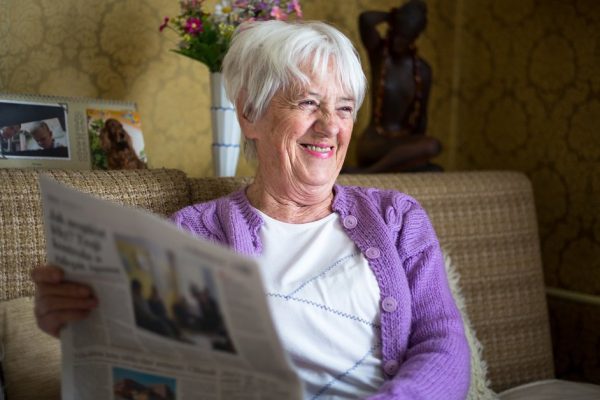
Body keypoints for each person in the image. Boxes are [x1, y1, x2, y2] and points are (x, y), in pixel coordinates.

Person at [32, 20, 469, 399]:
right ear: (249, 115)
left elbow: (443, 345)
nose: (330, 126)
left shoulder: (396, 218)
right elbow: (152, 361)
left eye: (344, 108)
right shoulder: (192, 233)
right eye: (308, 102)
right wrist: (79, 322)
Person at [353, 0, 442, 173]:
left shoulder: (422, 70)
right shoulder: (380, 54)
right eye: (396, 33)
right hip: (374, 141)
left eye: (405, 37)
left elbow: (421, 118)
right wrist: (393, 16)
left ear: (415, 37)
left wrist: (417, 149)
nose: (397, 41)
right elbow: (365, 19)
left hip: (402, 143)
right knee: (429, 162)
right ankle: (369, 172)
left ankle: (395, 164)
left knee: (432, 148)